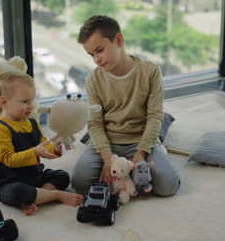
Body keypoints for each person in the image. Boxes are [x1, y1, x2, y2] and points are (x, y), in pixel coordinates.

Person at [71, 15, 181, 197]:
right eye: (91, 55)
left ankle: (158, 146)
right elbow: (95, 124)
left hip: (140, 139)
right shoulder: (94, 79)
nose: (96, 59)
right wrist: (108, 160)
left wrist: (140, 155)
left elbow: (154, 117)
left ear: (119, 40)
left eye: (99, 50)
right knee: (80, 184)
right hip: (108, 140)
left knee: (168, 187)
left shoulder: (150, 71)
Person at [0, 71, 83, 215]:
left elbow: (43, 144)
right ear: (3, 102)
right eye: (24, 101)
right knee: (17, 192)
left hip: (35, 177)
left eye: (32, 100)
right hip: (10, 182)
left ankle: (36, 197)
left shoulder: (32, 123)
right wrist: (34, 153)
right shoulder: (0, 130)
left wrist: (56, 148)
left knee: (62, 176)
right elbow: (8, 160)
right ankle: (55, 195)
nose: (31, 106)